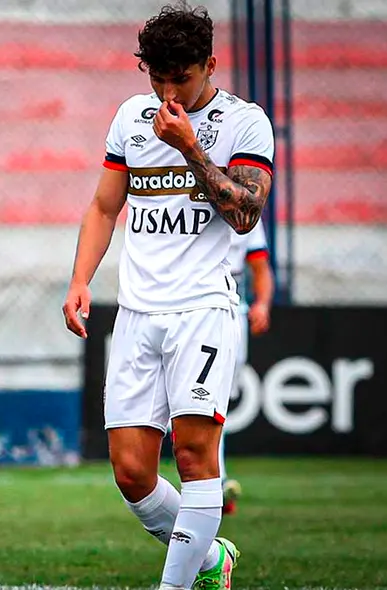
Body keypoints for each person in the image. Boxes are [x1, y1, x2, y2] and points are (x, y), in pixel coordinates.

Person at [61, 4, 275, 589]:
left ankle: (175, 585)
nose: (166, 90)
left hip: (201, 310)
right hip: (136, 313)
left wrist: (190, 148)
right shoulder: (131, 118)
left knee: (194, 457)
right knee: (131, 472)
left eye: (179, 77)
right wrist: (80, 280)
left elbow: (246, 215)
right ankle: (211, 560)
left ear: (209, 64)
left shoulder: (245, 123)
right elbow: (106, 205)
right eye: (156, 77)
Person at [220, 218, 274, 515]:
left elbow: (261, 268)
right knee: (204, 399)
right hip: (189, 298)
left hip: (233, 305)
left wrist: (262, 304)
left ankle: (213, 479)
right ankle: (216, 480)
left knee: (219, 400)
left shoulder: (247, 209)